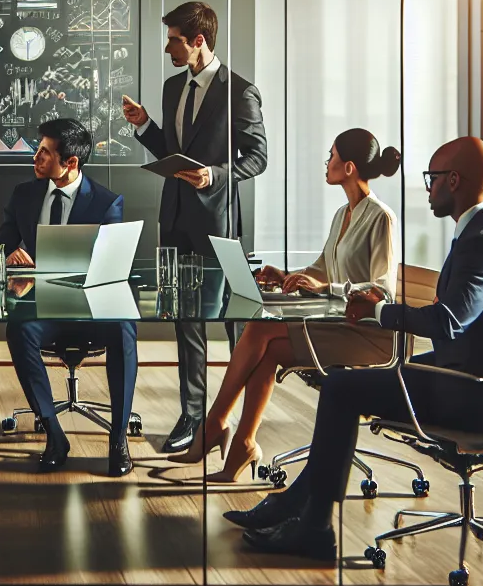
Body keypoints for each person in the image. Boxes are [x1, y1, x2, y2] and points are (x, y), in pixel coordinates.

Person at [233, 137, 483, 561]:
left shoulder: (481, 243)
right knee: (348, 385)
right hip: (477, 379)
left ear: (454, 180)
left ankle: (314, 527)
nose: (427, 189)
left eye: (432, 179)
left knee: (342, 388)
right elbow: (464, 321)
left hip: (467, 395)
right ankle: (297, 508)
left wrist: (383, 311)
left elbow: (447, 324)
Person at [167, 129, 401, 483]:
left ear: (349, 167)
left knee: (261, 328)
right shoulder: (343, 213)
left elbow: (382, 289)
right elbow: (323, 266)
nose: (327, 162)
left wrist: (328, 287)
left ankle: (213, 425)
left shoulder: (381, 217)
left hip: (363, 334)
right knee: (269, 350)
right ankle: (243, 442)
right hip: (333, 323)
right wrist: (288, 275)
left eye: (332, 155)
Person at [121, 0, 268, 452]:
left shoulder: (239, 92)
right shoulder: (171, 88)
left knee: (236, 324)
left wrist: (215, 175)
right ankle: (192, 416)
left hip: (219, 224)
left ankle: (239, 423)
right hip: (176, 219)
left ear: (198, 40)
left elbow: (258, 157)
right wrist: (145, 126)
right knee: (186, 320)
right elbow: (171, 147)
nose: (168, 47)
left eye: (173, 40)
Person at [0, 118, 135, 476]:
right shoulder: (23, 195)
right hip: (43, 305)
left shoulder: (106, 202)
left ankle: (118, 438)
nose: (35, 157)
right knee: (18, 329)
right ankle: (55, 435)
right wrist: (9, 252)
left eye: (44, 152)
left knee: (124, 328)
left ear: (70, 162)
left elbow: (111, 265)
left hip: (91, 307)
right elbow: (2, 240)